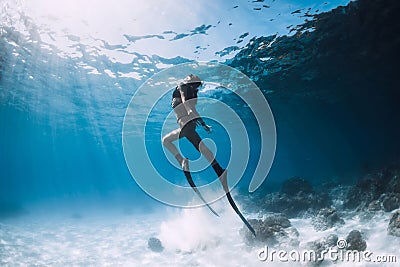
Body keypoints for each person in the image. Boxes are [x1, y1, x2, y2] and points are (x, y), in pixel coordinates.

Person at [162, 74, 229, 193]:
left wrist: (192, 113)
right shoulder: (187, 89)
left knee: (168, 141)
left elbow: (186, 103)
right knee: (200, 147)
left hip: (185, 124)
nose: (195, 89)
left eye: (196, 87)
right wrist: (203, 125)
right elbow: (188, 104)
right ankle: (219, 172)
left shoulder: (186, 89)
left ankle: (182, 161)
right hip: (188, 125)